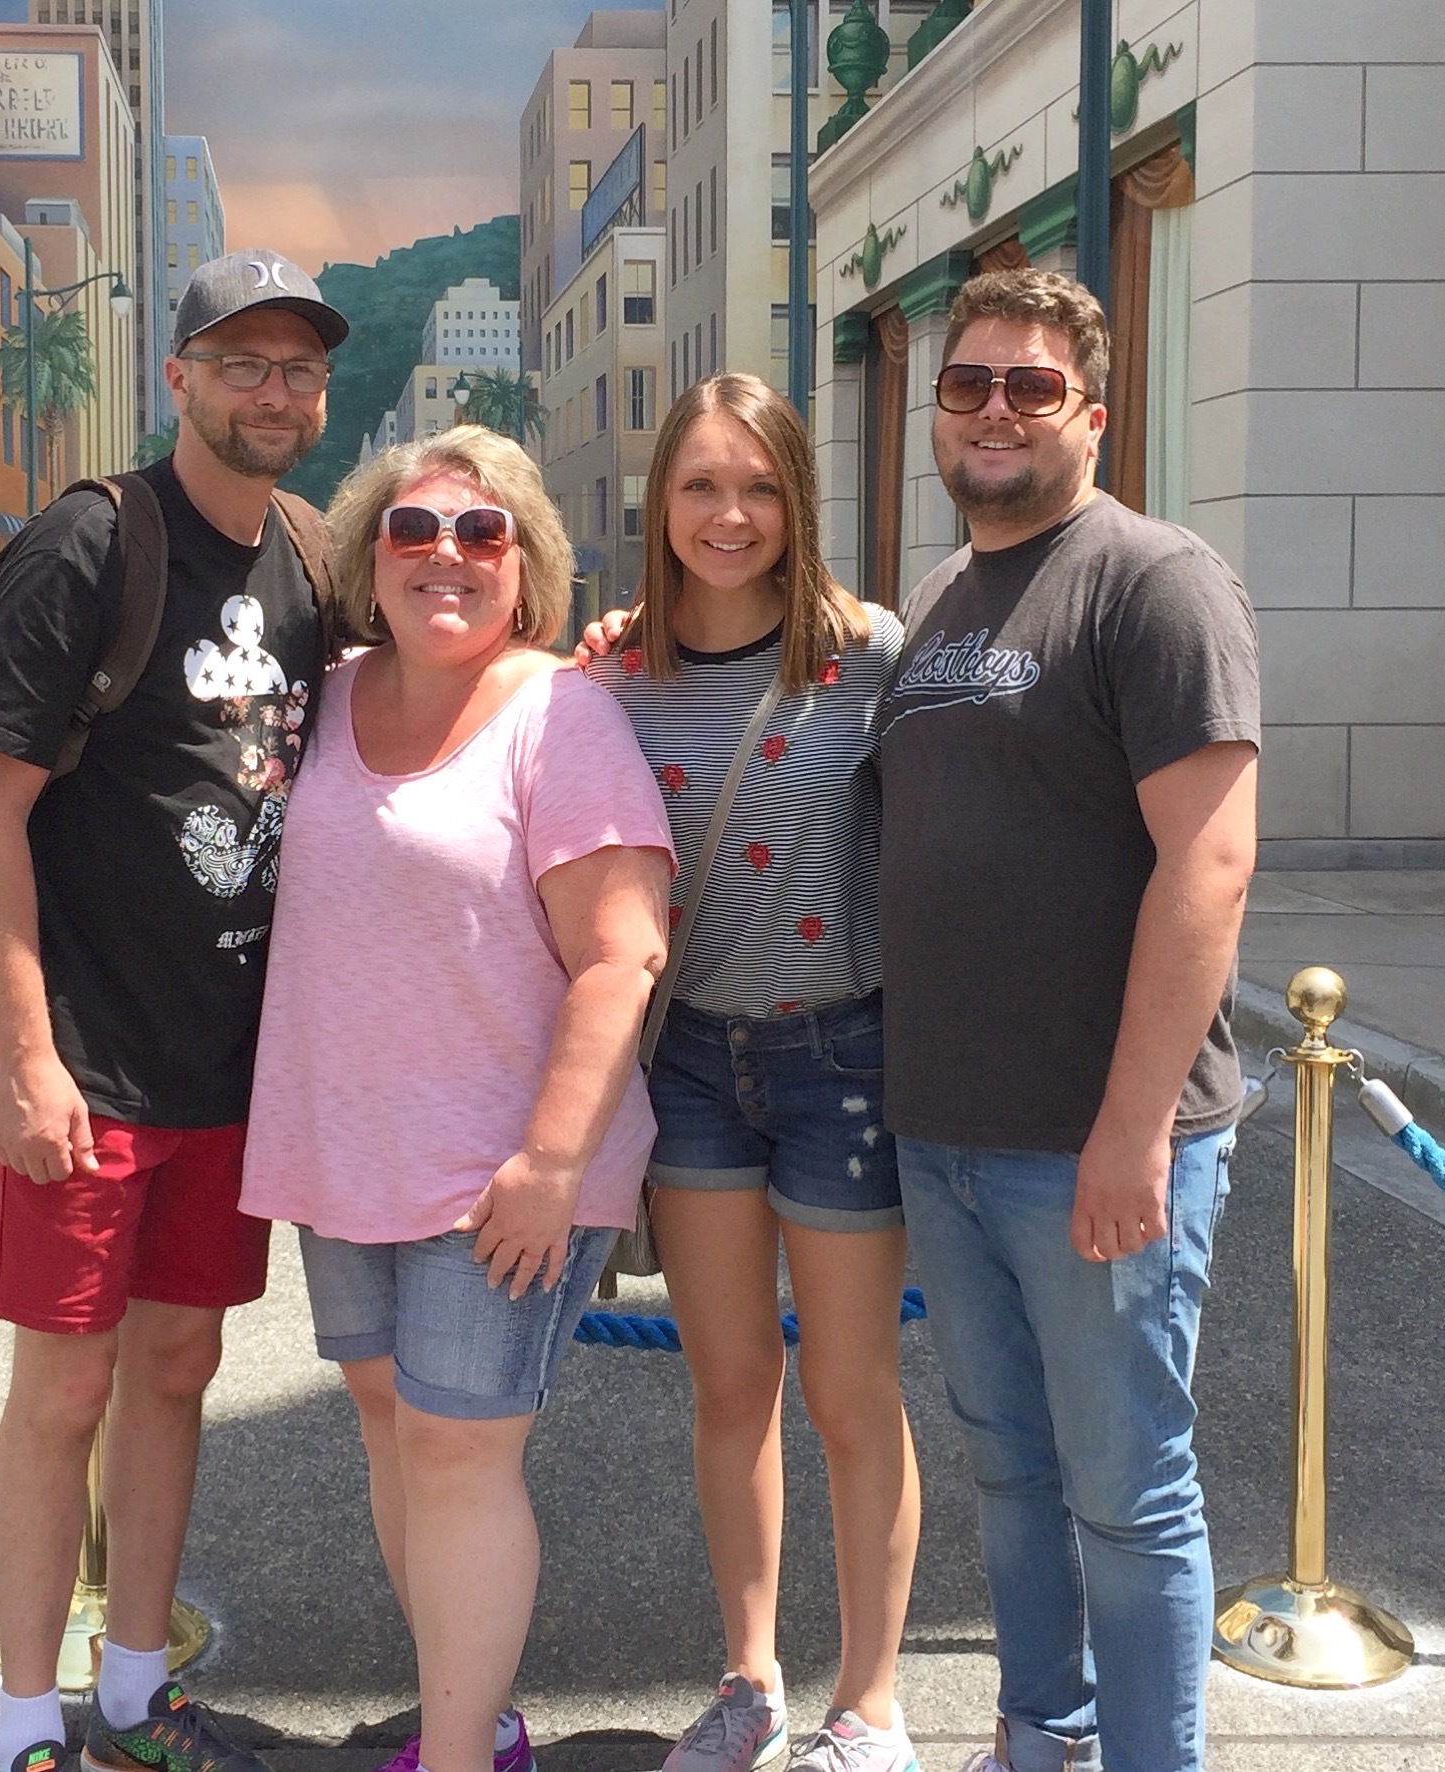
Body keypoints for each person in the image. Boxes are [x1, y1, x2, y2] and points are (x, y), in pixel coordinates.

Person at [0, 248, 347, 1772]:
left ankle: (131, 1694)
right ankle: (29, 1720)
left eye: (296, 367)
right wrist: (30, 1057)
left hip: (227, 1071)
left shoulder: (307, 560)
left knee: (180, 1370)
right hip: (91, 1068)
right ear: (177, 375)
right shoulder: (94, 542)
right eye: (240, 361)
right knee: (65, 1384)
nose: (271, 390)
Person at [238, 426, 674, 1772]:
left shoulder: (561, 713)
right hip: (344, 1152)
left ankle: (461, 1753)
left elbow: (625, 950)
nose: (447, 557)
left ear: (527, 568)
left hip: (504, 1170)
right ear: (370, 559)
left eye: (482, 536)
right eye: (414, 530)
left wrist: (551, 1165)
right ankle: (463, 1711)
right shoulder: (321, 696)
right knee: (394, 1428)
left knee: (460, 1452)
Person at [879, 269, 1260, 1772]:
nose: (992, 409)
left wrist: (1132, 1128)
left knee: (1128, 1491)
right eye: (967, 383)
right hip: (949, 1133)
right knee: (1013, 1476)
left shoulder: (1153, 581)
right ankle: (1044, 1737)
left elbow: (1212, 862)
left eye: (1030, 387)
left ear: (1091, 415)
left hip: (1096, 1146)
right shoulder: (935, 602)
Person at [583, 374, 921, 1772]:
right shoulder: (610, 675)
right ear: (660, 499)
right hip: (695, 1068)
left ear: (801, 502)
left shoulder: (869, 654)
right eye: (703, 485)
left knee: (851, 1394)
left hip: (843, 1052)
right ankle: (750, 1679)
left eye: (761, 487)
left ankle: (875, 1700)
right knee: (731, 1386)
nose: (731, 516)